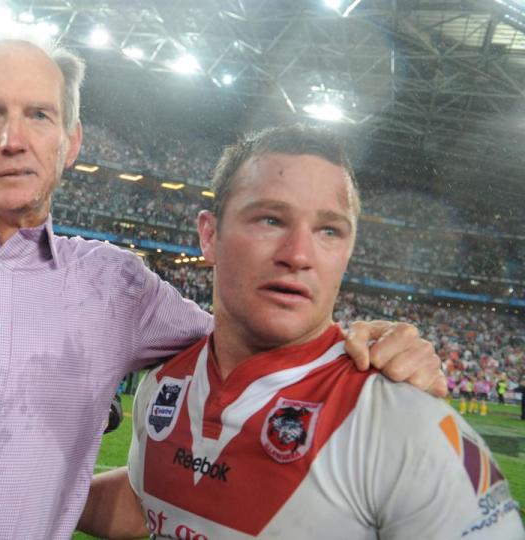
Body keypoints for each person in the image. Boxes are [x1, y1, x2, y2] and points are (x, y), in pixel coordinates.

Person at [0, 32, 446, 538]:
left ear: (70, 143)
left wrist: (367, 345)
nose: (15, 139)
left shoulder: (120, 289)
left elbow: (255, 339)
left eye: (40, 116)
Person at [76, 125, 522, 539]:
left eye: (329, 230)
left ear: (346, 253)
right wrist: (25, 492)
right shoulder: (165, 383)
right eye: (271, 219)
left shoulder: (402, 422)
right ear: (209, 235)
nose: (299, 254)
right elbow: (147, 504)